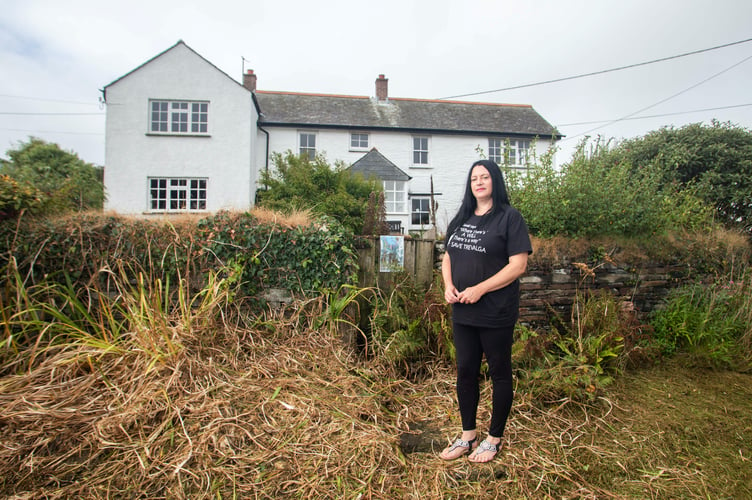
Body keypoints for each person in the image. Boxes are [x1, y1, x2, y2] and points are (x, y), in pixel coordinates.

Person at [439, 159, 532, 463]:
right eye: (474, 178)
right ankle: (468, 435)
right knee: (465, 371)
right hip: (463, 311)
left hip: (495, 311)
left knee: (499, 373)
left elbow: (518, 266)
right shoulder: (461, 218)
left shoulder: (509, 218)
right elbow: (448, 257)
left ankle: (493, 438)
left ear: (495, 181)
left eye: (485, 177)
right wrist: (448, 285)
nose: (479, 182)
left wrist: (480, 289)